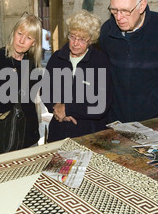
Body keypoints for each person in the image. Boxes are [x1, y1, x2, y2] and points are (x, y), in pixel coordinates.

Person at [0, 12, 42, 158]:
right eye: (20, 33)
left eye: (28, 37)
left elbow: (31, 100)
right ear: (14, 32)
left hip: (28, 138)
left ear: (34, 43)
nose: (22, 40)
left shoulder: (31, 63)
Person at [43, 10, 112, 142]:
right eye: (73, 37)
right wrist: (57, 108)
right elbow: (46, 91)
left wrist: (68, 109)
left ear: (91, 40)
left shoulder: (100, 61)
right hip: (59, 130)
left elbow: (101, 103)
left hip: (89, 134)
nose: (75, 43)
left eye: (82, 39)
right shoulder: (57, 58)